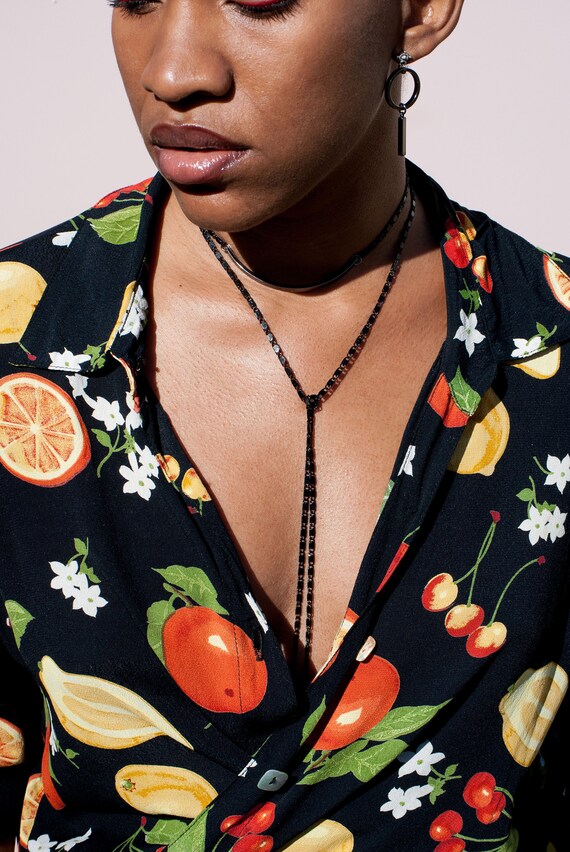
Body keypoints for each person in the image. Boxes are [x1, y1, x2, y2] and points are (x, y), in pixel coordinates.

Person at [0, 0, 568, 849]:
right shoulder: (22, 355)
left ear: (419, 11)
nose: (172, 71)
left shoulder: (550, 355)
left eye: (260, 1)